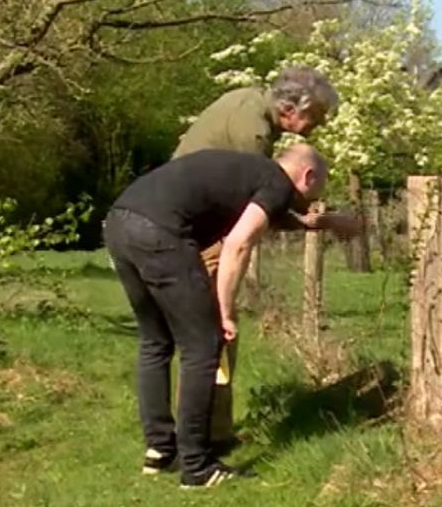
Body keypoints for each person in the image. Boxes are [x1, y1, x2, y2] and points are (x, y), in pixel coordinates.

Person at [103, 144, 332, 488]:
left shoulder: (252, 172)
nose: (317, 196)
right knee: (203, 345)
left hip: (120, 224)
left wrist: (314, 224)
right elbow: (238, 243)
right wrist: (224, 312)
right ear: (308, 176)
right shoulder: (276, 183)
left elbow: (263, 215)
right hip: (161, 232)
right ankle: (196, 466)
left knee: (156, 341)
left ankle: (160, 450)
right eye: (320, 187)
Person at [172, 65, 362, 448]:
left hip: (179, 223)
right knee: (215, 332)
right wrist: (318, 222)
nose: (317, 127)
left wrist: (309, 223)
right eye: (317, 117)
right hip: (197, 231)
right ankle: (204, 438)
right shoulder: (254, 132)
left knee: (196, 334)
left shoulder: (248, 103)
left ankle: (191, 434)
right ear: (294, 109)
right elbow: (257, 207)